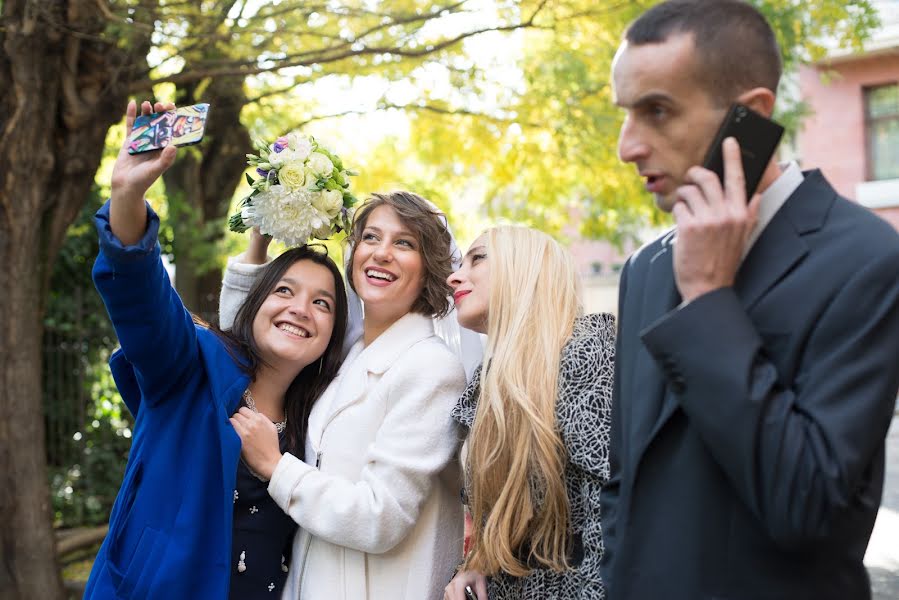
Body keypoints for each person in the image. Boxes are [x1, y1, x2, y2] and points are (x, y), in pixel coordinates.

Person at [600, 2, 899, 598]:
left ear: (751, 115)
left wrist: (710, 299)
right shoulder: (645, 267)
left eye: (657, 110)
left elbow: (806, 506)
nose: (627, 146)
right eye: (625, 114)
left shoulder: (869, 259)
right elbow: (624, 482)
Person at [84, 101, 349, 599]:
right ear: (256, 303)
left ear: (333, 334)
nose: (301, 310)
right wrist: (127, 196)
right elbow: (143, 300)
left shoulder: (320, 420)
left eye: (323, 303)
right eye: (285, 291)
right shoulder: (193, 366)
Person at [220, 191, 468, 599]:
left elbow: (381, 517)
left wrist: (274, 466)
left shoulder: (431, 369)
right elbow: (256, 340)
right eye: (370, 238)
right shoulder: (346, 355)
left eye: (404, 243)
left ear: (430, 270)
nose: (381, 253)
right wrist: (258, 241)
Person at [443, 226, 615, 600]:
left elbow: (614, 525)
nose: (453, 277)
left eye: (478, 258)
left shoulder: (588, 354)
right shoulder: (487, 384)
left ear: (525, 268)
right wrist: (477, 562)